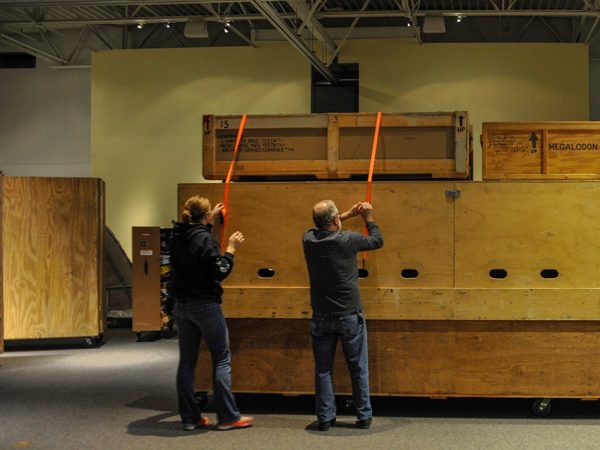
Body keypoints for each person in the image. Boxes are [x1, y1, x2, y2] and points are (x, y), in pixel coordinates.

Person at [169, 195, 254, 431]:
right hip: (204, 305)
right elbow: (220, 271)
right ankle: (228, 417)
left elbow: (195, 243)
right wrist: (230, 249)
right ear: (205, 215)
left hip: (181, 305)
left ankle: (190, 418)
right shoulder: (206, 240)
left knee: (186, 361)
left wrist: (210, 221)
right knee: (221, 358)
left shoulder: (177, 235)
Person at [302, 200, 384, 431]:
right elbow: (377, 240)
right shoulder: (348, 239)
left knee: (323, 369)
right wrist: (368, 217)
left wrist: (343, 215)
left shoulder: (308, 240)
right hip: (349, 315)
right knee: (358, 367)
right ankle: (363, 415)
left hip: (321, 317)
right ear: (335, 220)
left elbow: (320, 228)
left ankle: (325, 418)